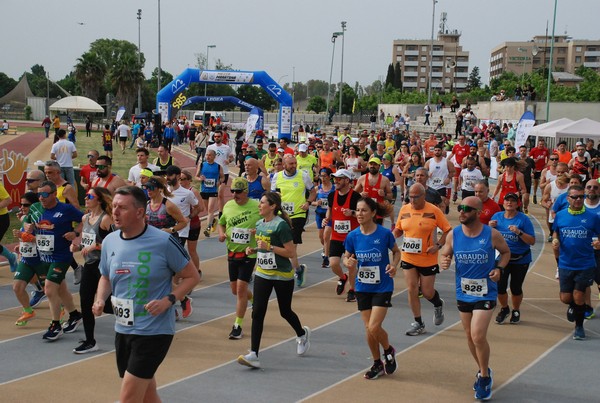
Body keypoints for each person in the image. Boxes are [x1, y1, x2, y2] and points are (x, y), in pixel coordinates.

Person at [92, 186, 199, 403]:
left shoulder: (163, 241)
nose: (115, 212)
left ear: (140, 212)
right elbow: (105, 276)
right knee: (147, 395)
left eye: (122, 208)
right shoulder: (110, 241)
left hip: (154, 331)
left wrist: (168, 300)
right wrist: (100, 298)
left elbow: (192, 276)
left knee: (129, 398)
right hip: (123, 328)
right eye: (114, 207)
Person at [440, 196, 510, 401]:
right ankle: (482, 368)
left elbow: (505, 253)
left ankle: (485, 377)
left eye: (467, 209)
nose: (462, 212)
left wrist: (499, 269)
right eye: (460, 208)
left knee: (478, 335)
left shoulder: (491, 234)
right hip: (464, 292)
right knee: (470, 337)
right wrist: (445, 260)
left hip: (485, 291)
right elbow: (446, 252)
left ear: (478, 213)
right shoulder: (454, 234)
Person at [237, 192, 311, 369]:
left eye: (262, 203)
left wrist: (269, 247)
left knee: (285, 311)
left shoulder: (281, 226)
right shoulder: (259, 224)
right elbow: (263, 249)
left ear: (272, 206)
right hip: (263, 273)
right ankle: (254, 354)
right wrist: (253, 250)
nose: (259, 205)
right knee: (257, 312)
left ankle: (302, 334)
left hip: (282, 275)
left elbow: (290, 253)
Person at [343, 197, 401, 380]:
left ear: (373, 213)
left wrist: (394, 266)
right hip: (362, 287)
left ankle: (388, 349)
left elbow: (396, 252)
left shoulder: (384, 234)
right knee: (369, 328)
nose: (359, 214)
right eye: (357, 210)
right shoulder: (353, 236)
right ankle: (377, 363)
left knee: (374, 326)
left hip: (382, 286)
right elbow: (346, 258)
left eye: (364, 210)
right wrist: (348, 261)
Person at [23, 180, 84, 341]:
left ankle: (55, 325)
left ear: (53, 194)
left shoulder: (66, 209)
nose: (41, 197)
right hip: (44, 255)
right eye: (39, 194)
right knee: (61, 289)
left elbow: (85, 219)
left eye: (44, 194)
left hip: (61, 256)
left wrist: (75, 233)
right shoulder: (36, 208)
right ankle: (75, 315)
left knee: (49, 289)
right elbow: (27, 221)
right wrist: (28, 226)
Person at [393, 183, 451, 336]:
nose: (412, 200)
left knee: (427, 292)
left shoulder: (434, 210)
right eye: (410, 197)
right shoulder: (404, 209)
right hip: (408, 256)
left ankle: (437, 304)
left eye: (415, 197)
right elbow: (398, 229)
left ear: (423, 196)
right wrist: (391, 236)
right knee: (412, 288)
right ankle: (418, 322)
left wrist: (438, 245)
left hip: (427, 258)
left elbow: (447, 231)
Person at [552, 185, 600, 340]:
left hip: (586, 263)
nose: (578, 199)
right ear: (568, 199)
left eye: (581, 196)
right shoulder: (560, 215)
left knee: (579, 296)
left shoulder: (592, 217)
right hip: (566, 263)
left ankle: (579, 327)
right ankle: (573, 306)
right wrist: (554, 239)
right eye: (575, 197)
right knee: (566, 298)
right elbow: (556, 231)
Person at [70, 187, 114, 353]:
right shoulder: (85, 217)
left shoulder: (106, 219)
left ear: (100, 199)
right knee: (85, 301)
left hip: (104, 265)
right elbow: (86, 242)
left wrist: (94, 246)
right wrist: (77, 246)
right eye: (86, 195)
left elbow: (117, 243)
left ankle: (137, 316)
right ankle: (90, 341)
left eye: (89, 196)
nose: (86, 198)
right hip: (89, 265)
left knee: (109, 305)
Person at [218, 177, 262, 339]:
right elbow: (221, 222)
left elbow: (270, 221)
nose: (234, 195)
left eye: (238, 192)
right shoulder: (228, 206)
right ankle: (254, 301)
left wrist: (259, 231)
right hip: (232, 252)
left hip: (249, 253)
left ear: (246, 192)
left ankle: (238, 325)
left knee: (240, 289)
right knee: (234, 290)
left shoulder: (257, 206)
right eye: (232, 191)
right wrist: (222, 233)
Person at [143, 176, 192, 318]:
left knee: (161, 278)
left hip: (167, 246)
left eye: (151, 188)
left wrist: (170, 230)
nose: (148, 191)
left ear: (159, 189)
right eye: (146, 188)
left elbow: (183, 222)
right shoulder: (146, 205)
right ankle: (182, 300)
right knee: (159, 279)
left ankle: (173, 306)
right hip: (152, 246)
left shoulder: (168, 205)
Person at [488, 193, 536, 324]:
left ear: (517, 204)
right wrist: (489, 227)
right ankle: (504, 308)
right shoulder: (497, 217)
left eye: (513, 201)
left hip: (520, 259)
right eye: (507, 200)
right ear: (503, 203)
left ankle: (516, 309)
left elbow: (532, 241)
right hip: (502, 259)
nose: (509, 203)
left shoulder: (523, 220)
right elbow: (487, 237)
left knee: (516, 287)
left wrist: (519, 232)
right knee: (500, 287)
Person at [271, 154, 316, 287]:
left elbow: (313, 192)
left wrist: (308, 203)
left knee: (291, 246)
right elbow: (273, 195)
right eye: (291, 164)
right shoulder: (277, 177)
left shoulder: (303, 175)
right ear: (284, 165)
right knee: (282, 246)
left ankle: (286, 272)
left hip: (298, 215)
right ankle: (298, 269)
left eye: (295, 163)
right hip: (282, 215)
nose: (294, 166)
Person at [324, 169, 361, 302]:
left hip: (352, 239)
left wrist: (352, 213)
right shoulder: (332, 195)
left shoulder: (356, 197)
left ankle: (352, 290)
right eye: (335, 178)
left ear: (347, 180)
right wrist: (326, 219)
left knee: (351, 265)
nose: (336, 181)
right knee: (333, 263)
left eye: (339, 178)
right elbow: (330, 212)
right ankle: (343, 277)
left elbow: (363, 214)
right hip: (336, 236)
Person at [11, 192, 42, 326]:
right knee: (17, 287)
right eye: (21, 205)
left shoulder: (41, 220)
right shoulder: (24, 219)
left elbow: (47, 240)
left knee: (51, 290)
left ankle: (62, 310)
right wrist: (20, 245)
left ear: (35, 205)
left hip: (41, 260)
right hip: (27, 259)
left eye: (26, 205)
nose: (22, 207)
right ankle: (28, 311)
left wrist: (26, 237)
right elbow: (25, 237)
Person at [206, 130, 235, 221]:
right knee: (210, 195)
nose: (217, 138)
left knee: (220, 194)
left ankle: (220, 212)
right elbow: (206, 159)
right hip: (212, 174)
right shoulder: (210, 147)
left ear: (222, 137)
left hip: (224, 173)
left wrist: (229, 161)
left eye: (218, 136)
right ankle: (211, 212)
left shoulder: (226, 148)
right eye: (215, 136)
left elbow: (231, 157)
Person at [354, 157, 392, 224]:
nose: (372, 166)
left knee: (378, 231)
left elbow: (390, 196)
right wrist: (361, 194)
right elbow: (353, 193)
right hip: (364, 210)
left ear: (379, 166)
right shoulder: (362, 178)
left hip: (378, 211)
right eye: (371, 164)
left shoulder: (385, 180)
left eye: (375, 164)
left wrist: (384, 194)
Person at [179, 170, 203, 279]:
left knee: (191, 250)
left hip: (193, 224)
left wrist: (190, 215)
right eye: (179, 179)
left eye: (183, 179)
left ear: (189, 180)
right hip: (181, 226)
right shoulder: (176, 192)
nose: (180, 181)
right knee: (179, 250)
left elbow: (201, 208)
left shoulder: (193, 191)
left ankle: (197, 272)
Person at [196, 149, 223, 236]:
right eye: (207, 155)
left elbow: (222, 177)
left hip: (213, 190)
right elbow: (196, 176)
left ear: (214, 157)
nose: (207, 157)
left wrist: (219, 182)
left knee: (211, 210)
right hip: (204, 190)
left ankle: (208, 229)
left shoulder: (218, 166)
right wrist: (200, 179)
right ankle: (213, 221)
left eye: (210, 155)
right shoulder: (202, 165)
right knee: (208, 210)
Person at [312, 168, 334, 268]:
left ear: (329, 177)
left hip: (329, 215)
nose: (323, 178)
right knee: (321, 237)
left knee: (326, 236)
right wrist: (316, 203)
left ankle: (326, 258)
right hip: (319, 214)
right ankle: (326, 249)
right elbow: (309, 201)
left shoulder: (334, 188)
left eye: (325, 176)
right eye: (321, 176)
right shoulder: (317, 188)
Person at [425, 143, 456, 213]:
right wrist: (427, 174)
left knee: (442, 202)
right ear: (433, 151)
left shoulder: (447, 162)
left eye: (438, 150)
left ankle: (441, 217)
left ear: (442, 151)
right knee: (431, 203)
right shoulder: (429, 162)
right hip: (432, 185)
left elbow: (453, 172)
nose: (437, 152)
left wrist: (448, 177)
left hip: (443, 186)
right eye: (435, 150)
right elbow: (424, 171)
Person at [529, 139, 550, 204]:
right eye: (540, 144)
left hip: (542, 169)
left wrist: (546, 165)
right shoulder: (534, 150)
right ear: (538, 144)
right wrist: (533, 160)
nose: (541, 146)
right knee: (535, 183)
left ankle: (542, 198)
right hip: (536, 168)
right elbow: (529, 157)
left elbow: (548, 158)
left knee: (543, 183)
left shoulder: (546, 150)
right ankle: (534, 194)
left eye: (542, 144)